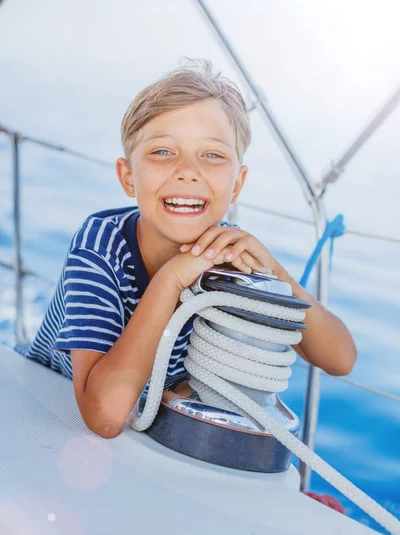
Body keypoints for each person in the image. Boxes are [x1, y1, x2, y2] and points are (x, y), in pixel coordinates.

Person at [16, 59, 357, 447]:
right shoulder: (100, 246)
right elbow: (104, 417)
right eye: (163, 151)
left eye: (212, 155)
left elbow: (341, 359)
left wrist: (274, 270)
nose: (188, 171)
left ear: (238, 183)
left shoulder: (230, 255)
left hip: (139, 424)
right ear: (128, 177)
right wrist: (172, 278)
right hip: (47, 410)